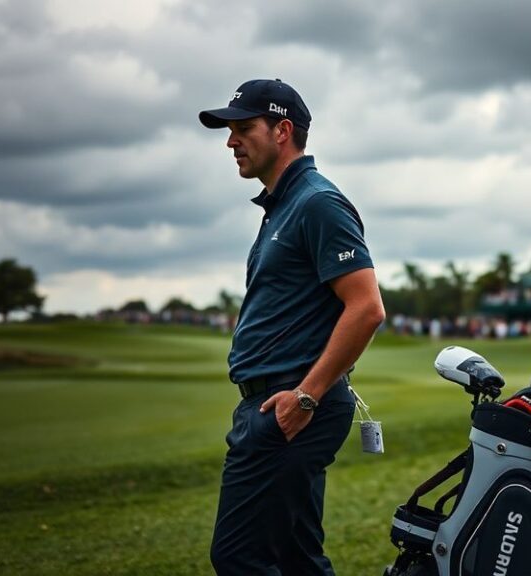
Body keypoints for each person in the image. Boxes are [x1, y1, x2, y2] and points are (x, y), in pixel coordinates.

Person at [199, 79, 385, 575]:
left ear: (282, 131)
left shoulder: (317, 202)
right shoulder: (284, 205)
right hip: (277, 403)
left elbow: (366, 308)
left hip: (291, 404)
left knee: (239, 556)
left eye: (244, 129)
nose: (231, 141)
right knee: (297, 559)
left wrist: (305, 398)